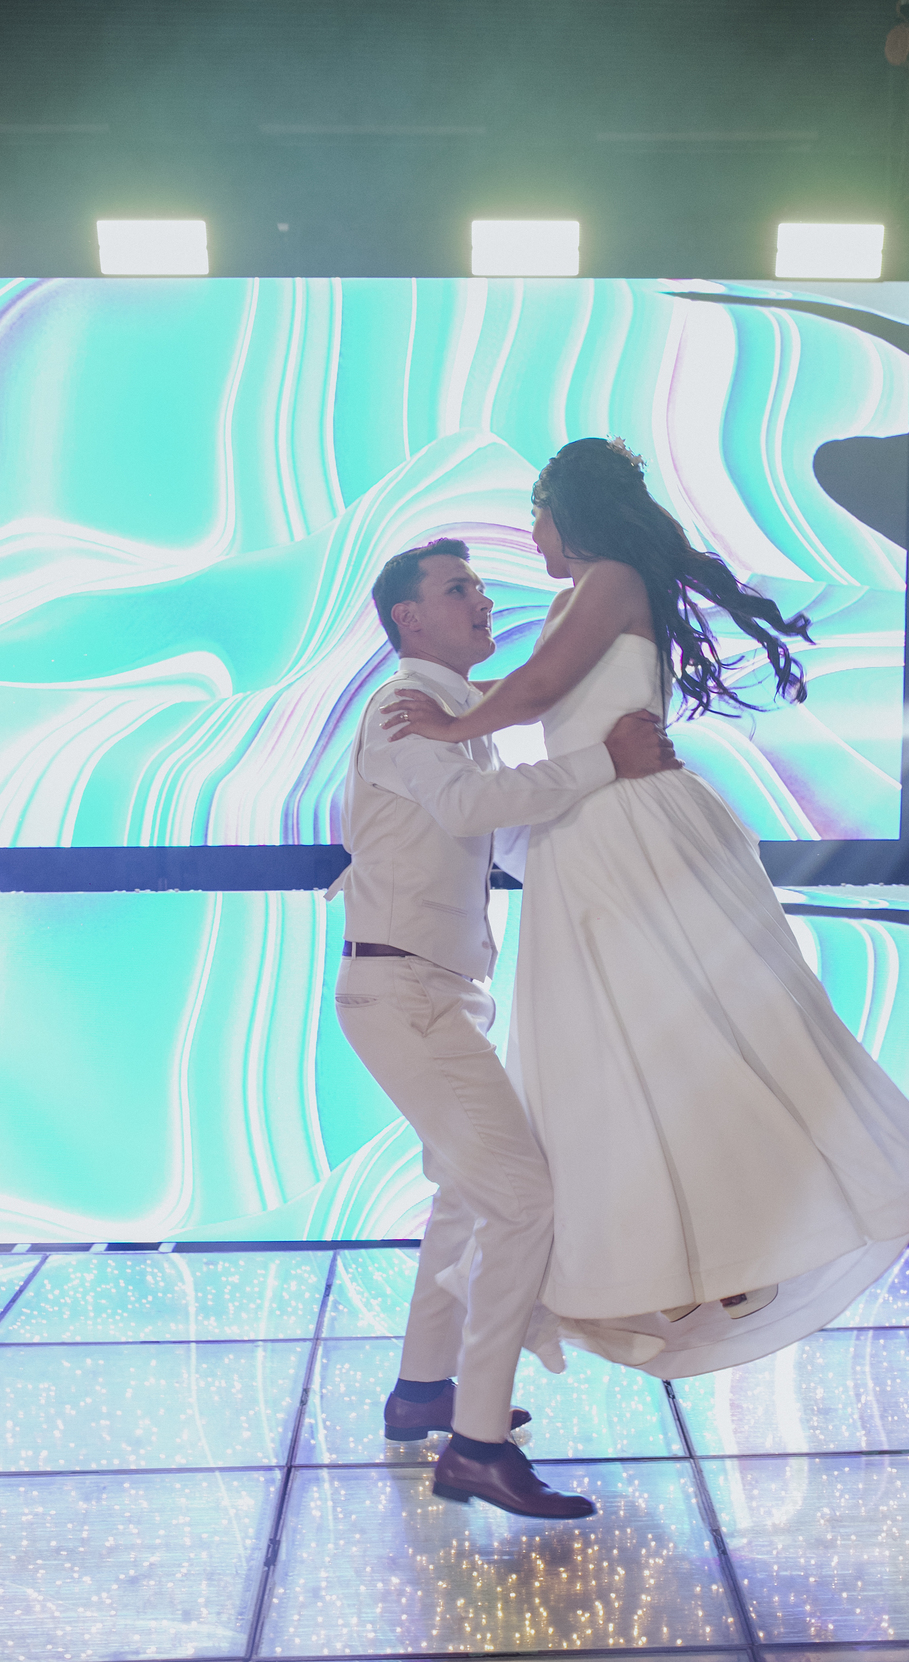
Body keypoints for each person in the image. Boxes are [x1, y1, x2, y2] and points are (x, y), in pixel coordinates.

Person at [386, 437, 909, 1377]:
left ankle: (737, 1243)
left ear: (570, 512)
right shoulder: (587, 593)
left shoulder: (609, 579)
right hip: (591, 830)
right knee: (616, 1053)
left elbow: (538, 689)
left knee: (675, 1033)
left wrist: (452, 723)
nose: (533, 539)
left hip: (626, 827)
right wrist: (462, 707)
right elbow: (535, 687)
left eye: (536, 518)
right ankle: (690, 1258)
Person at [335, 535, 679, 1518]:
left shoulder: (457, 720)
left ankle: (422, 1392)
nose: (484, 601)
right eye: (460, 589)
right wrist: (603, 763)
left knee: (466, 1196)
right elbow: (467, 808)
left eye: (482, 586)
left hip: (431, 994)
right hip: (405, 998)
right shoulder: (407, 707)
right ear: (409, 617)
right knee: (523, 1201)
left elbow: (505, 833)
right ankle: (478, 1445)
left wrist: (625, 831)